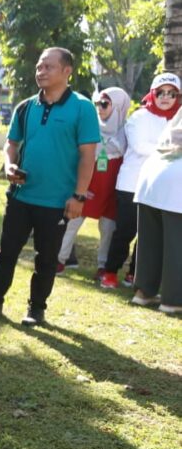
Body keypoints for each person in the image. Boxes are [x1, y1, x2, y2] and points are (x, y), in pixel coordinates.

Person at [0, 47, 99, 326]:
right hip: (21, 196)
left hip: (57, 201)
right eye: (39, 67)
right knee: (5, 252)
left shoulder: (83, 108)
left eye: (48, 67)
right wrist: (9, 166)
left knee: (46, 258)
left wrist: (78, 196)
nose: (41, 72)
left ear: (67, 71)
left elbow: (88, 155)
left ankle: (36, 309)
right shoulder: (26, 106)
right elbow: (11, 144)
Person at [101, 73, 180, 289]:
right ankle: (109, 272)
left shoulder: (178, 119)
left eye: (171, 93)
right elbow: (140, 146)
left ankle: (134, 274)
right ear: (152, 94)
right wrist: (174, 150)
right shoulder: (139, 117)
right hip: (132, 184)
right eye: (161, 92)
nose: (166, 97)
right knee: (125, 231)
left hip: (161, 188)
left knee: (149, 235)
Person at [56, 87, 131, 276]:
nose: (100, 108)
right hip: (87, 185)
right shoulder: (90, 126)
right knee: (72, 221)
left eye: (105, 104)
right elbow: (78, 157)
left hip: (111, 190)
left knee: (108, 228)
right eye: (98, 103)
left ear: (119, 107)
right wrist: (80, 186)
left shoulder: (129, 132)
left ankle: (103, 265)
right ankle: (59, 259)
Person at [131, 113, 182, 314]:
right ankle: (173, 300)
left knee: (150, 242)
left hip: (152, 176)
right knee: (176, 245)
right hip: (175, 181)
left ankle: (143, 292)